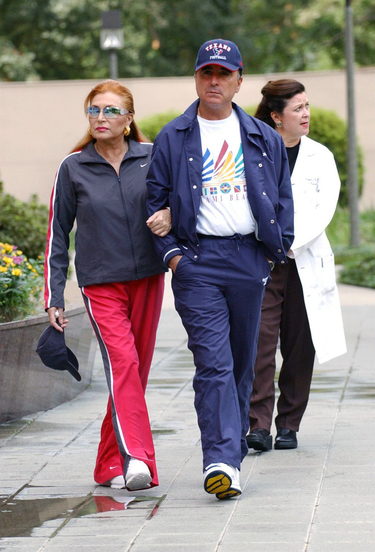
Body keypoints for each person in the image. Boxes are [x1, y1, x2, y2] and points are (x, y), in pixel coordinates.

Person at [146, 39, 294, 499]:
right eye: (206, 73)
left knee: (241, 365)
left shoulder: (261, 136)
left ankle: (229, 449)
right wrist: (173, 257)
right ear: (196, 78)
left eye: (223, 73)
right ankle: (221, 460)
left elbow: (283, 200)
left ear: (238, 80)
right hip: (198, 262)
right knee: (213, 363)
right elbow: (154, 203)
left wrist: (272, 254)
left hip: (249, 260)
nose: (214, 81)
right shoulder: (174, 136)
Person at [44, 79, 171, 492]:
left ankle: (106, 465)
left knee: (133, 375)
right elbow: (57, 233)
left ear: (129, 119)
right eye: (94, 110)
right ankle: (138, 460)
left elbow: (182, 202)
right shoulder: (73, 166)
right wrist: (54, 295)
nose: (101, 117)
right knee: (124, 366)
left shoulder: (152, 158)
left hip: (149, 278)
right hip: (101, 284)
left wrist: (170, 214)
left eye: (111, 110)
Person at [246, 79, 347, 453]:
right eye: (298, 108)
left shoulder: (320, 156)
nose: (306, 114)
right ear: (276, 116)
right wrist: (269, 245)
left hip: (302, 259)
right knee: (259, 343)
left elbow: (324, 210)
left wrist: (287, 243)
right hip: (262, 262)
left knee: (300, 345)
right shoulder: (253, 152)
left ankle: (288, 423)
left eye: (307, 106)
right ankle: (257, 424)